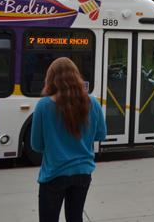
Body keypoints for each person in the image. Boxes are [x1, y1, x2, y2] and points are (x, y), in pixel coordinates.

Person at [31, 57, 107, 222]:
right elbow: (101, 135)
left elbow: (36, 145)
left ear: (51, 78)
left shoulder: (43, 105)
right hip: (83, 173)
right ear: (76, 76)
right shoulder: (93, 103)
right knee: (75, 217)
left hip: (54, 174)